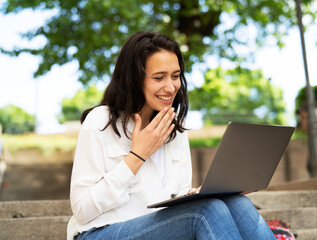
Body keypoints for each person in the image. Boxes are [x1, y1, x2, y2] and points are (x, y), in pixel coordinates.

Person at [67, 31, 276, 240]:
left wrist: (197, 194)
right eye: (159, 78)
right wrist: (137, 156)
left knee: (235, 203)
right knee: (206, 212)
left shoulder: (175, 127)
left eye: (175, 76)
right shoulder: (99, 122)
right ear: (133, 79)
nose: (170, 87)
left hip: (159, 228)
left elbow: (171, 199)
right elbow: (82, 209)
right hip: (100, 232)